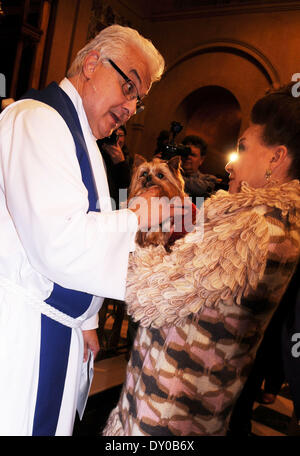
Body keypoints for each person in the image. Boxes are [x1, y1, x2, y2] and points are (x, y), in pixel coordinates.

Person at [0, 24, 185, 436]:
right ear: (91, 64)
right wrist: (138, 216)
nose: (132, 107)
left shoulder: (76, 133)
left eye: (139, 99)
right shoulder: (38, 120)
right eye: (129, 87)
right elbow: (58, 242)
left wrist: (87, 318)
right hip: (24, 331)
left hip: (54, 324)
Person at [103, 83, 300, 436]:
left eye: (242, 148)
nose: (229, 162)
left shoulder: (249, 227)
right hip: (200, 403)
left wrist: (143, 226)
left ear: (276, 157)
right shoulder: (279, 222)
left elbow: (147, 295)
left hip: (169, 410)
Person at [181, 135, 221, 202]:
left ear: (201, 160)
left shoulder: (209, 180)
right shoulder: (167, 173)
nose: (188, 157)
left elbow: (201, 189)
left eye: (193, 155)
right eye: (185, 153)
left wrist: (172, 178)